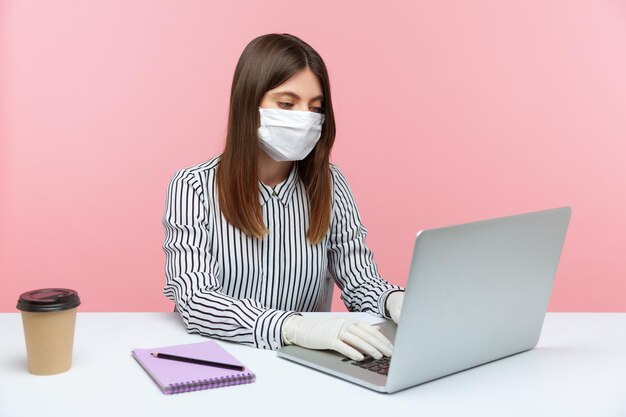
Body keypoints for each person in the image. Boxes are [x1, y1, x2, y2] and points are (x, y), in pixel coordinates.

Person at [162, 33, 405, 361]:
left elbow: (360, 280)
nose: (304, 118)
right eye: (287, 104)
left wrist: (393, 300)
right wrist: (290, 326)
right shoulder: (193, 186)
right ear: (250, 103)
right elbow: (196, 299)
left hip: (307, 365)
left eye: (315, 107)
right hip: (225, 361)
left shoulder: (330, 184)